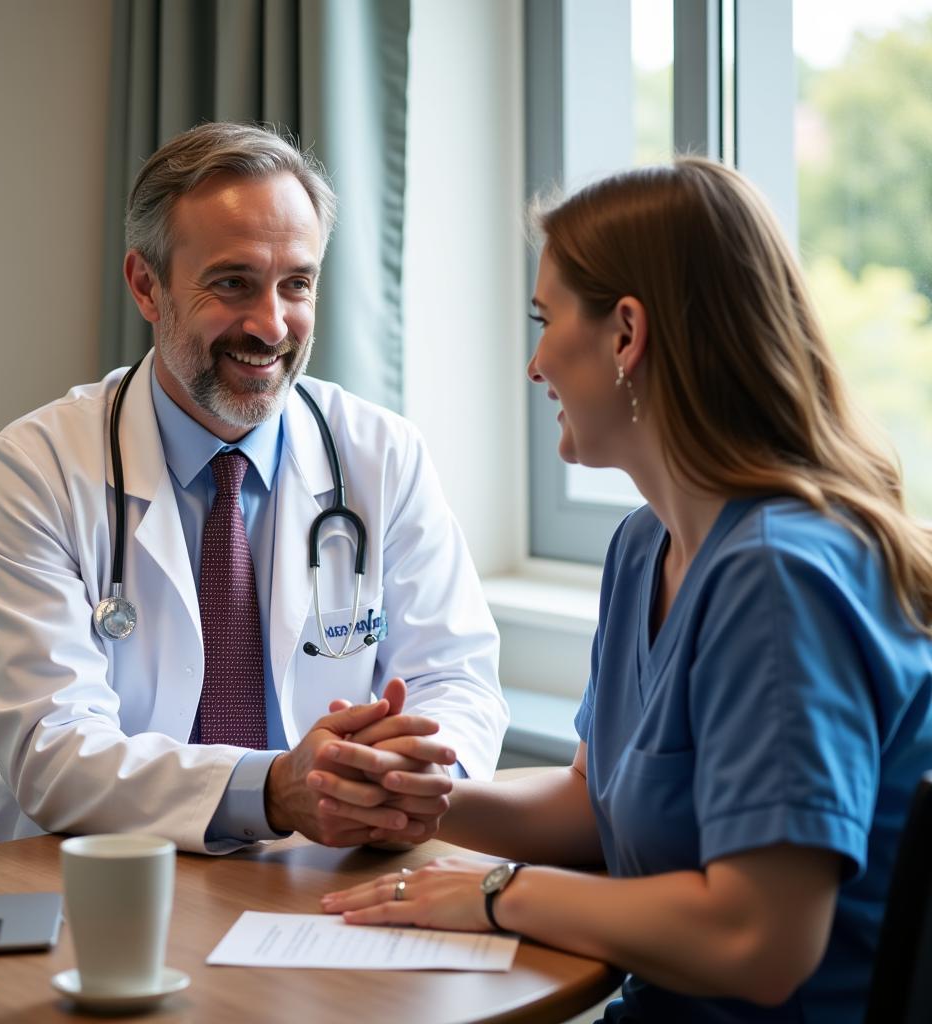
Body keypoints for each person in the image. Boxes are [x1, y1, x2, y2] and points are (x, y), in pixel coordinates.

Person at [320, 159, 932, 1022]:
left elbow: (762, 940)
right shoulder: (648, 543)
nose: (534, 365)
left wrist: (496, 892)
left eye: (546, 320)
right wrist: (424, 803)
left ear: (626, 334)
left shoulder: (778, 576)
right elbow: (592, 804)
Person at [0, 122, 507, 854]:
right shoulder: (38, 466)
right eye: (233, 283)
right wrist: (273, 790)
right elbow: (53, 751)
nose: (271, 325)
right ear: (146, 286)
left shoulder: (383, 455)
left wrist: (411, 777)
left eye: (297, 284)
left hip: (322, 872)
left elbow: (458, 681)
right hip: (88, 875)